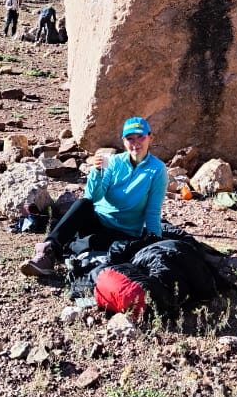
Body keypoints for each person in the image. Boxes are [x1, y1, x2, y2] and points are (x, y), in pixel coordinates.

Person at [20, 117, 168, 278]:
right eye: (130, 138)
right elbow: (93, 197)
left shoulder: (157, 169)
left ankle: (70, 245)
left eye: (141, 137)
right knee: (82, 204)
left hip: (123, 231)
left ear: (150, 137)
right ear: (123, 141)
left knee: (96, 244)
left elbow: (153, 210)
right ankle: (47, 251)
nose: (135, 143)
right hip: (98, 220)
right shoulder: (114, 162)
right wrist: (96, 173)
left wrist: (155, 239)